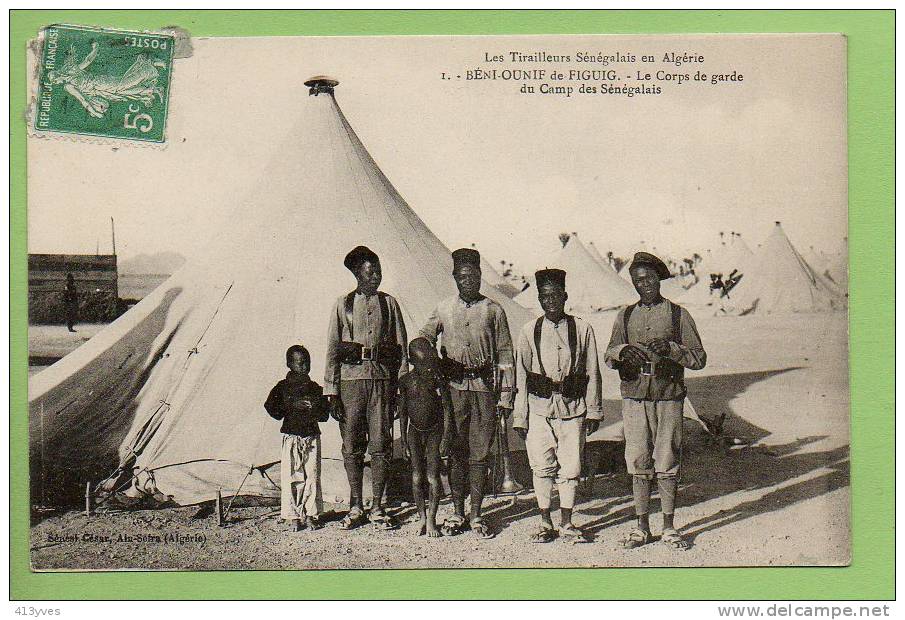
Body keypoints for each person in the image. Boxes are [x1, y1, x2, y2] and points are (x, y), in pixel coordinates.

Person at [605, 252, 707, 550]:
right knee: (637, 459)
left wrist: (673, 349)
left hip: (668, 395)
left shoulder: (678, 315)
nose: (644, 284)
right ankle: (641, 527)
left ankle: (669, 526)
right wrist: (622, 351)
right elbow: (609, 353)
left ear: (659, 279)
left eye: (649, 278)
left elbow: (699, 358)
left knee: (667, 458)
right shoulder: (625, 315)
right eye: (638, 280)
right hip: (635, 396)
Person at [420, 248, 515, 539]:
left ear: (480, 276)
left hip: (485, 390)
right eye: (462, 277)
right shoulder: (444, 308)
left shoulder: (494, 310)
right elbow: (424, 335)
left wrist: (507, 396)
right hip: (454, 391)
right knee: (456, 450)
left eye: (473, 276)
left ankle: (476, 514)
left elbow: (505, 354)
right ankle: (457, 512)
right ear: (454, 278)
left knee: (480, 453)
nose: (468, 282)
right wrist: (426, 357)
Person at [513, 268, 604, 543]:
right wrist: (520, 416)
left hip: (572, 408)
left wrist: (595, 410)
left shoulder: (583, 328)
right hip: (539, 407)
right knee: (541, 465)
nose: (549, 300)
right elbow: (520, 374)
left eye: (554, 295)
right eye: (544, 296)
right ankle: (544, 520)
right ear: (539, 299)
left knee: (571, 466)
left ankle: (566, 522)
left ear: (565, 296)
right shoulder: (529, 330)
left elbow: (592, 371)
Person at [325, 246, 407, 530]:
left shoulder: (390, 304)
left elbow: (401, 349)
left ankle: (378, 506)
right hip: (350, 382)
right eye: (370, 272)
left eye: (379, 271)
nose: (376, 277)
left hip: (382, 381)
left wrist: (400, 388)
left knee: (381, 444)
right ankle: (356, 505)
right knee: (351, 445)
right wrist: (332, 391)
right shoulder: (342, 304)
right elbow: (333, 350)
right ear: (357, 274)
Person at [264, 345, 329, 532]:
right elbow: (272, 408)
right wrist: (292, 404)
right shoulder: (282, 387)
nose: (304, 366)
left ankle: (310, 514)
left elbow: (325, 414)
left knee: (312, 476)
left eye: (307, 362)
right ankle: (293, 515)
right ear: (289, 364)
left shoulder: (315, 388)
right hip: (291, 436)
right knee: (292, 476)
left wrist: (313, 406)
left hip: (311, 438)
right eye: (300, 362)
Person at [398, 338, 453, 537]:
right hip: (414, 432)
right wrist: (403, 440)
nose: (427, 368)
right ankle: (422, 517)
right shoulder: (406, 381)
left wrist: (446, 437)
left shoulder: (438, 380)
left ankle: (431, 518)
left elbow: (447, 410)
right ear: (412, 362)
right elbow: (403, 412)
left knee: (432, 477)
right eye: (422, 364)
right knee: (416, 476)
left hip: (434, 432)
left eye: (430, 362)